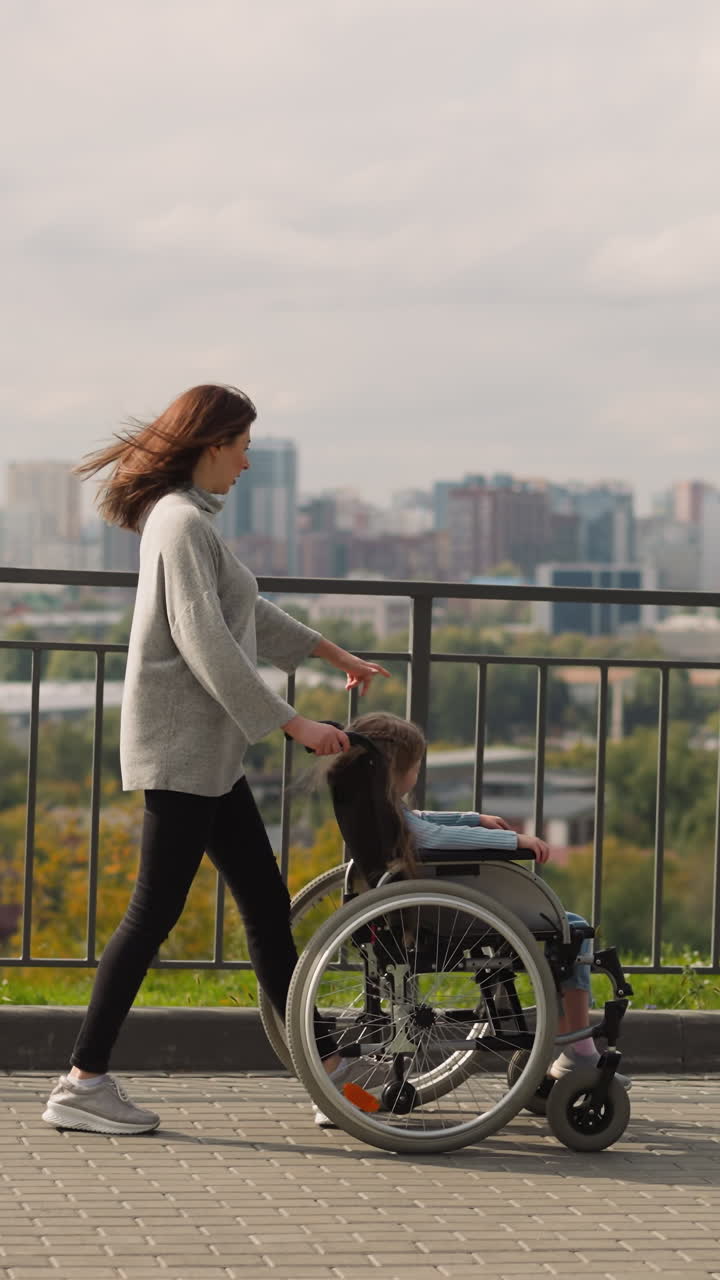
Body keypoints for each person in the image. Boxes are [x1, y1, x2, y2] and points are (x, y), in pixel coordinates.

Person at [41, 383, 389, 1135]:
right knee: (151, 917)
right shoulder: (179, 523)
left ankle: (326, 1072)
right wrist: (294, 723)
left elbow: (243, 610)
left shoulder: (188, 521)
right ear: (211, 445)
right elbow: (206, 642)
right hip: (182, 753)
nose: (247, 463)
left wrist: (330, 653)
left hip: (208, 757)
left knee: (264, 906)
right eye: (242, 447)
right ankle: (82, 1082)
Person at [323, 711, 631, 1097]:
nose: (417, 774)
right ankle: (579, 1051)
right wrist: (514, 842)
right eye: (415, 767)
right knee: (573, 930)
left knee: (562, 931)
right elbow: (431, 837)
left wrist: (474, 819)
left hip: (415, 913)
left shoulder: (373, 810)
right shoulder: (395, 817)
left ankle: (569, 1049)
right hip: (451, 916)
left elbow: (422, 821)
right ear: (397, 770)